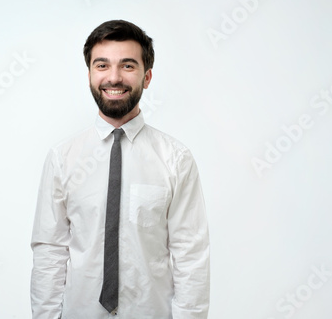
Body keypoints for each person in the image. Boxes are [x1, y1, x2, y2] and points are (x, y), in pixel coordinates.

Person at [30, 19, 210, 319]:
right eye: (102, 65)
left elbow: (190, 253)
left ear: (147, 76)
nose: (114, 78)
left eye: (127, 66)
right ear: (89, 73)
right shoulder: (63, 158)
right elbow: (50, 250)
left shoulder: (175, 159)